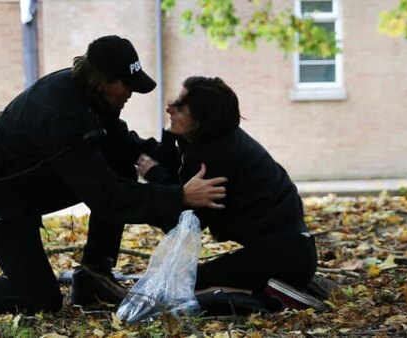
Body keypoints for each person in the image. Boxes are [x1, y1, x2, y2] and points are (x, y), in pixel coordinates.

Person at [0, 36, 228, 320]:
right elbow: (107, 197)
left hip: (25, 190)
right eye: (127, 85)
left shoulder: (88, 94)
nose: (131, 93)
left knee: (117, 165)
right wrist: (179, 197)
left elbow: (120, 142)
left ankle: (93, 278)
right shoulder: (62, 118)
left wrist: (174, 154)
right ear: (105, 80)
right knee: (39, 300)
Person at [136, 76, 325, 315]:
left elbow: (184, 223)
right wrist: (171, 138)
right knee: (188, 284)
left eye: (180, 107)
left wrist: (156, 178)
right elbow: (181, 182)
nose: (169, 108)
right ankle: (283, 286)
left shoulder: (214, 157)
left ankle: (274, 299)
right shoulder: (222, 142)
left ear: (203, 119)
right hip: (290, 252)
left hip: (283, 256)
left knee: (180, 289)